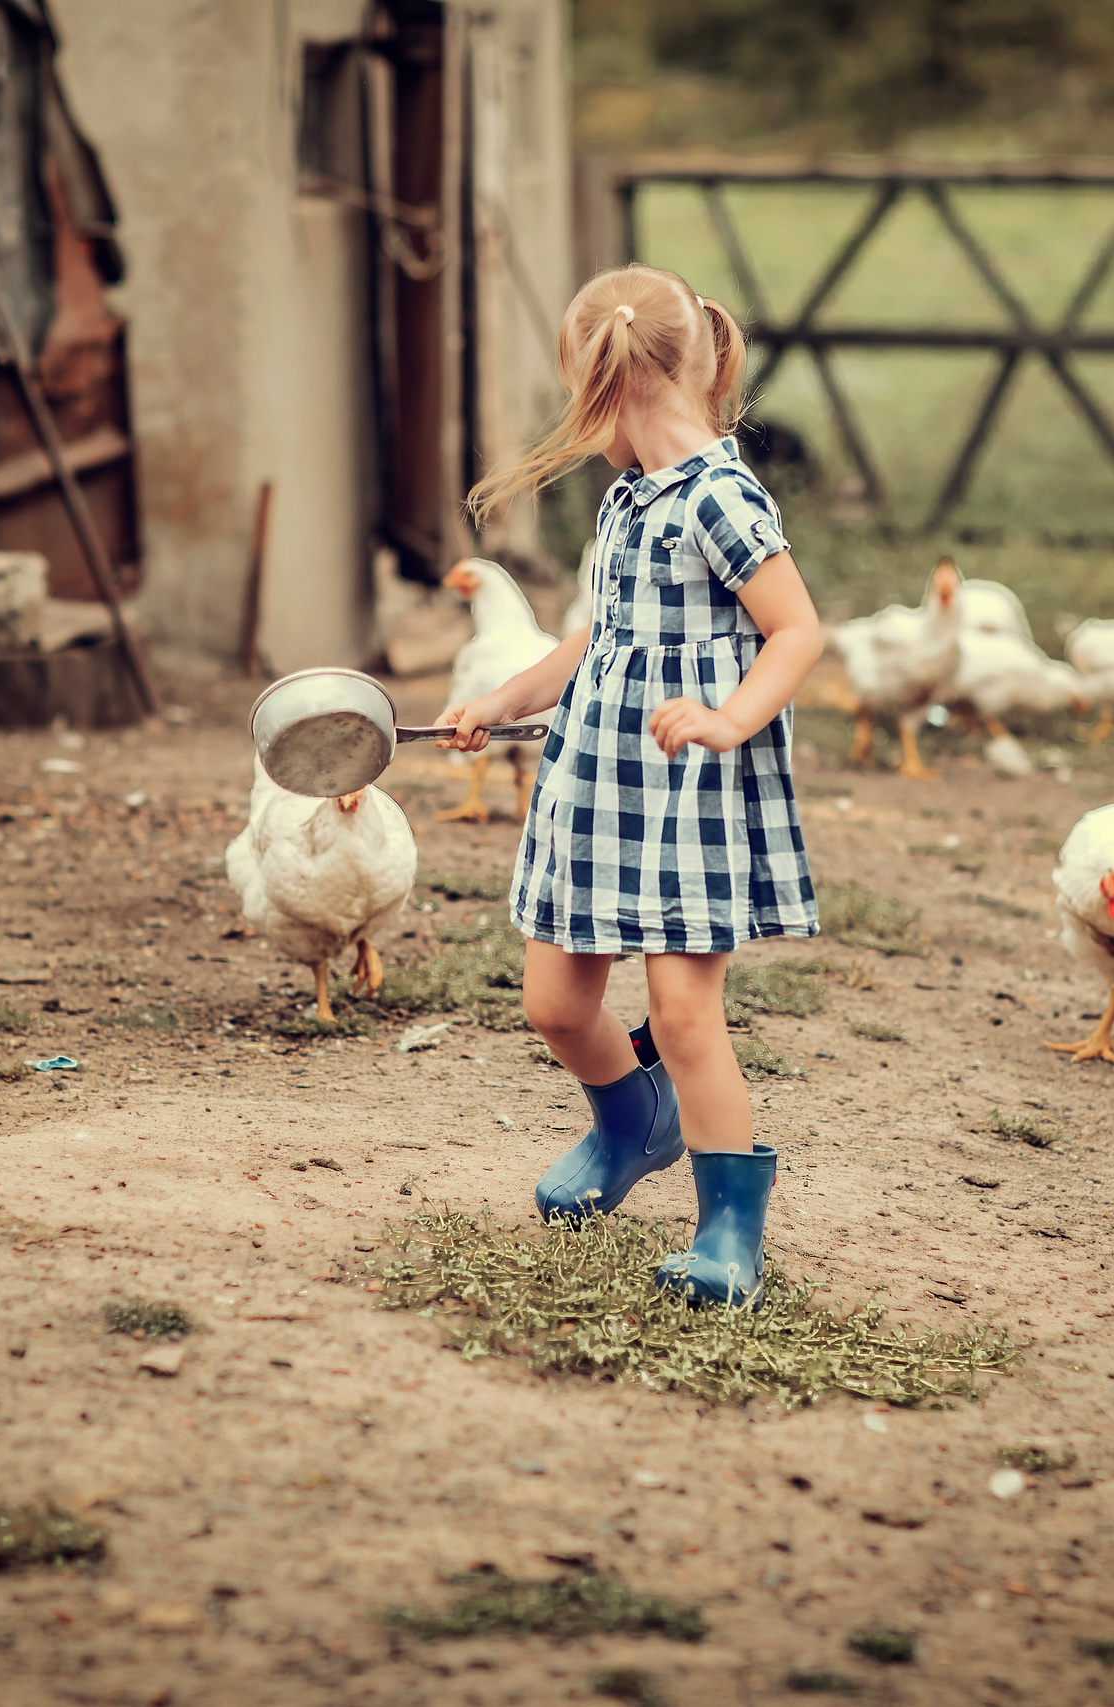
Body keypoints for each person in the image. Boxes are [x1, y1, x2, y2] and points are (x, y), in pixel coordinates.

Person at [434, 264, 823, 1307]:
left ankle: (727, 1236)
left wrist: (731, 718)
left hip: (685, 794)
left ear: (601, 387)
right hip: (596, 786)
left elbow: (796, 629)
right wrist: (509, 695)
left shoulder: (723, 497)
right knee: (556, 1003)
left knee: (686, 1018)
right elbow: (598, 631)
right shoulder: (625, 500)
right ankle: (631, 1123)